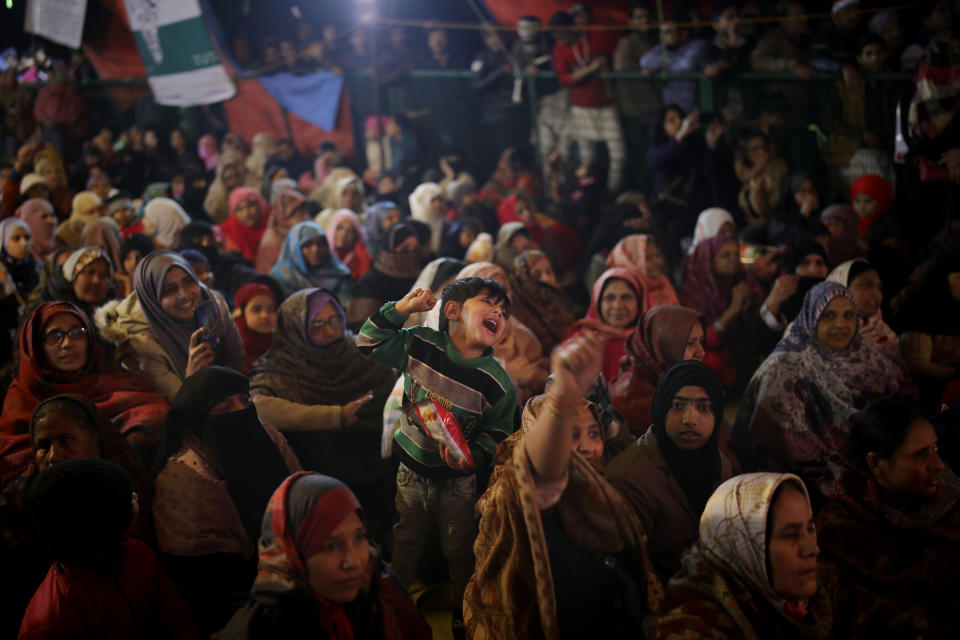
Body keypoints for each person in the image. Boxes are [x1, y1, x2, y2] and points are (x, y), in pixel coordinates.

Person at [465, 332, 661, 638]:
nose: (586, 447)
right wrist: (560, 402)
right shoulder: (508, 496)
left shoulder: (607, 496)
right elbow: (533, 475)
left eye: (593, 434)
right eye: (570, 435)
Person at [357, 277, 517, 637]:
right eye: (489, 303)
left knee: (460, 551)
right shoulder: (422, 345)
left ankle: (464, 614)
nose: (498, 313)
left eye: (504, 312)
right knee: (404, 544)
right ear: (453, 311)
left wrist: (471, 457)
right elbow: (368, 341)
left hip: (458, 483)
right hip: (409, 473)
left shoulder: (498, 383)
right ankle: (391, 609)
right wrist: (402, 309)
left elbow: (498, 435)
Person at [153, 366, 300, 633]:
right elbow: (206, 578)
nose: (240, 412)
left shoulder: (267, 436)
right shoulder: (184, 475)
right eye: (223, 408)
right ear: (198, 419)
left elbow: (301, 497)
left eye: (245, 401)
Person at [250, 289, 398, 544]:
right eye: (318, 325)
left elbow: (388, 396)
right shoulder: (281, 364)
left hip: (374, 465)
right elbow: (256, 406)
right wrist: (333, 416)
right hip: (317, 472)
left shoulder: (361, 351)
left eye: (335, 320)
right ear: (295, 328)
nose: (330, 331)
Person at [0, 395, 150, 637]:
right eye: (42, 446)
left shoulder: (127, 492)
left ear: (98, 446)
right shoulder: (17, 509)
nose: (52, 456)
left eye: (66, 440)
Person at [733, 282, 910, 484]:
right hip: (800, 481)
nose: (841, 324)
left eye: (849, 315)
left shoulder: (865, 355)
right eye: (829, 315)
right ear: (811, 319)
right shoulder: (785, 368)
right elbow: (784, 448)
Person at [220, 472, 431, 640]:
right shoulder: (260, 629)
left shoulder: (378, 588)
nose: (355, 561)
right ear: (291, 553)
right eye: (329, 546)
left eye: (359, 537)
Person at [817, 397, 959, 636]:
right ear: (876, 463)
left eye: (935, 449)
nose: (938, 465)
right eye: (920, 455)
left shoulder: (949, 497)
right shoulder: (840, 529)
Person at [19, 459, 200, 640]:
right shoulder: (52, 622)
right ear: (105, 524)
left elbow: (178, 619)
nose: (136, 496)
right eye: (127, 498)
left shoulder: (139, 554)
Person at [0, 301, 168, 482]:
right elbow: (13, 458)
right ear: (36, 346)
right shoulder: (24, 394)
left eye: (77, 333)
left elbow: (157, 412)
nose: (67, 343)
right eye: (54, 335)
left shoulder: (115, 378)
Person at [655, 472, 833, 639]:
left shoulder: (819, 593)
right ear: (743, 548)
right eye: (790, 535)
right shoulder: (695, 627)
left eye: (810, 529)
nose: (812, 549)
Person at [607, 361, 735, 582]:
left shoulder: (720, 464)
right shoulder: (628, 480)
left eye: (704, 408)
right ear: (661, 407)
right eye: (677, 406)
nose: (690, 419)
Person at [96, 250, 245, 401]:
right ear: (153, 298)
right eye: (169, 290)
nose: (185, 295)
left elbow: (237, 359)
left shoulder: (210, 303)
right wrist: (192, 377)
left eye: (188, 281)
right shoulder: (139, 340)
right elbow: (178, 403)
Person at [550, 11, 624, 192]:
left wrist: (590, 69)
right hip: (580, 107)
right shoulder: (559, 48)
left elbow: (610, 57)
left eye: (562, 33)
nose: (559, 38)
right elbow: (564, 78)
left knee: (618, 153)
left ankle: (612, 190)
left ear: (572, 27)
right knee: (587, 156)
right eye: (556, 35)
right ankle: (588, 191)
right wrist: (591, 68)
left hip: (605, 103)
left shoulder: (596, 32)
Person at [457, 262, 548, 406]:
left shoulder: (522, 336)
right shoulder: (455, 341)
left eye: (503, 290)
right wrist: (510, 374)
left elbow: (542, 381)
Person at [679, 236, 764, 387]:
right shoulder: (693, 292)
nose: (733, 259)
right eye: (725, 255)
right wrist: (734, 309)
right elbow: (700, 341)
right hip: (710, 361)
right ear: (709, 260)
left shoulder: (742, 283)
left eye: (736, 254)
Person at [611, 305, 706, 437]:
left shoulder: (692, 380)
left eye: (701, 342)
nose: (701, 352)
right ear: (660, 347)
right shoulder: (628, 401)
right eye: (689, 343)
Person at [566, 268, 645, 383]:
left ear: (639, 301)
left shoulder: (646, 342)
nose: (618, 305)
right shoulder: (580, 340)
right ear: (597, 302)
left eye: (626, 297)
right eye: (610, 298)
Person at [347, 222, 426, 328]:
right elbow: (365, 329)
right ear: (389, 250)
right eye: (405, 249)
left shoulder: (422, 277)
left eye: (415, 249)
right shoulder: (370, 283)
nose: (411, 254)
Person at [825, 258, 901, 364]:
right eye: (867, 285)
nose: (877, 294)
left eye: (879, 287)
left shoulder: (883, 332)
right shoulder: (818, 334)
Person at [639, 12, 712, 113]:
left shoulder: (699, 45)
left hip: (696, 109)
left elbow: (686, 65)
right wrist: (671, 61)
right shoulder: (664, 48)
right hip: (671, 109)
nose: (663, 37)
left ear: (684, 34)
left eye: (668, 32)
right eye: (661, 32)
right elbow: (645, 61)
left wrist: (662, 65)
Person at [508, 249, 576, 354]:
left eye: (549, 272)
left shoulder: (558, 297)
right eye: (537, 275)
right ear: (524, 280)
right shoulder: (524, 313)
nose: (547, 278)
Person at [270, 220, 352, 300]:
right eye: (308, 245)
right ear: (294, 249)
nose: (315, 250)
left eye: (320, 244)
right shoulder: (279, 279)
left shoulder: (339, 275)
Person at [606, 234, 679, 308]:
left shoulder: (663, 283)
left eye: (658, 255)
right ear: (629, 263)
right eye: (648, 258)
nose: (658, 261)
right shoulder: (619, 291)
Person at [255, 187, 309, 274]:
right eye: (297, 212)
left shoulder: (303, 228)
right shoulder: (272, 242)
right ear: (284, 214)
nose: (304, 216)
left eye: (303, 210)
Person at [233, 283, 278, 373]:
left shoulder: (281, 346)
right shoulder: (232, 352)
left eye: (270, 309)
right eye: (256, 309)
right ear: (241, 314)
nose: (265, 315)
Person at [220, 187, 269, 264]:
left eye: (250, 206)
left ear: (259, 204)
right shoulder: (229, 230)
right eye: (240, 209)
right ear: (234, 213)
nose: (246, 214)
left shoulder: (272, 220)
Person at [326, 208, 371, 280]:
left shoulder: (359, 256)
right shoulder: (323, 254)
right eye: (340, 228)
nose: (344, 234)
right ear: (332, 229)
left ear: (355, 236)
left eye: (350, 230)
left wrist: (361, 249)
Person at [0, 218, 40, 299]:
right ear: (3, 241)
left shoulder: (37, 268)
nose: (24, 243)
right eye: (16, 238)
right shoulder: (1, 269)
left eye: (27, 237)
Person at [15, 199, 57, 263]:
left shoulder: (58, 247)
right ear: (29, 220)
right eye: (44, 216)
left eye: (52, 215)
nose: (51, 221)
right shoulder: (20, 258)